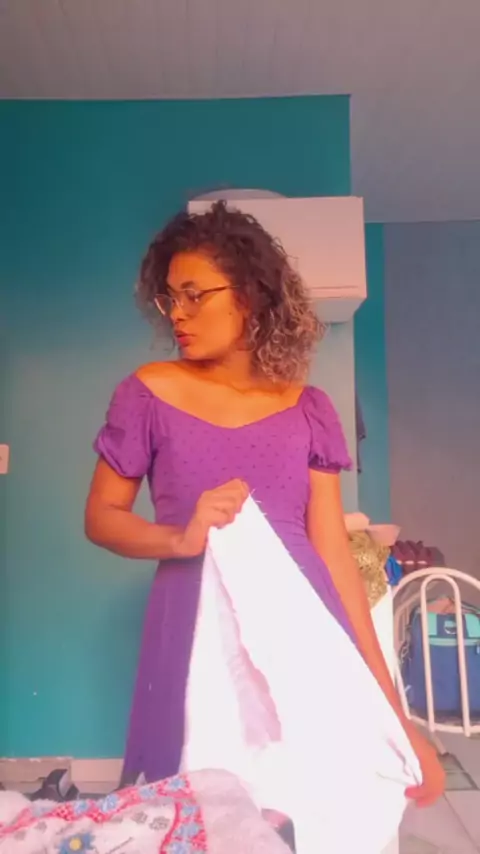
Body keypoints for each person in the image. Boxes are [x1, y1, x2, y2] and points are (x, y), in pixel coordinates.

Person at [85, 200, 444, 804]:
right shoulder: (148, 393)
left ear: (250, 296)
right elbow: (101, 517)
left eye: (195, 294)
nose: (178, 313)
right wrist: (180, 537)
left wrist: (394, 713)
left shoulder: (309, 408)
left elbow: (331, 553)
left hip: (302, 627)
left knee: (309, 802)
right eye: (170, 298)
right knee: (196, 806)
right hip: (192, 620)